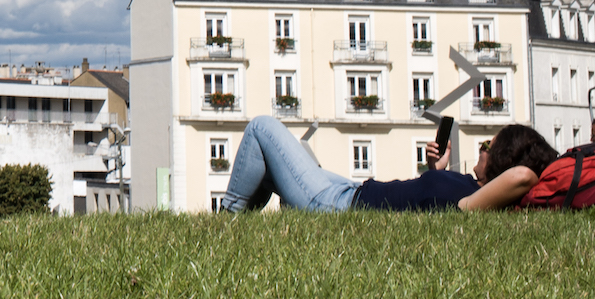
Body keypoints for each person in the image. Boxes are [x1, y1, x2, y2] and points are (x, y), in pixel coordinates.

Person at [220, 117, 557, 213]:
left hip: (336, 205)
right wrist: (436, 170)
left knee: (262, 128)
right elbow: (427, 200)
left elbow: (523, 176)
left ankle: (228, 220)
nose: (481, 151)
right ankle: (241, 224)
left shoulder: (477, 202)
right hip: (348, 190)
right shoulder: (469, 187)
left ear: (501, 160)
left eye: (488, 147)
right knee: (271, 158)